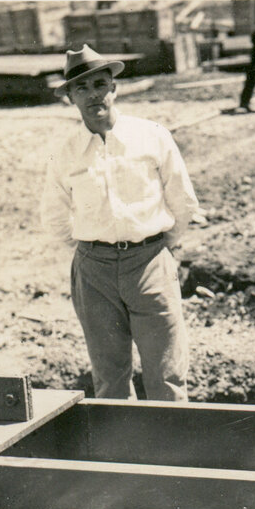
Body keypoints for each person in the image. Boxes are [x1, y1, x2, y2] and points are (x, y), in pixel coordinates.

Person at [40, 46, 199, 401]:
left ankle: (173, 439)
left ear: (114, 88)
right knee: (110, 379)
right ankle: (121, 440)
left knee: (167, 376)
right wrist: (90, 249)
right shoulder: (65, 152)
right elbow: (53, 215)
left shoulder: (151, 135)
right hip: (94, 273)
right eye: (81, 88)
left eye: (100, 84)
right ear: (70, 97)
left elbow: (183, 200)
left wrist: (159, 248)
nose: (93, 94)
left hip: (150, 263)